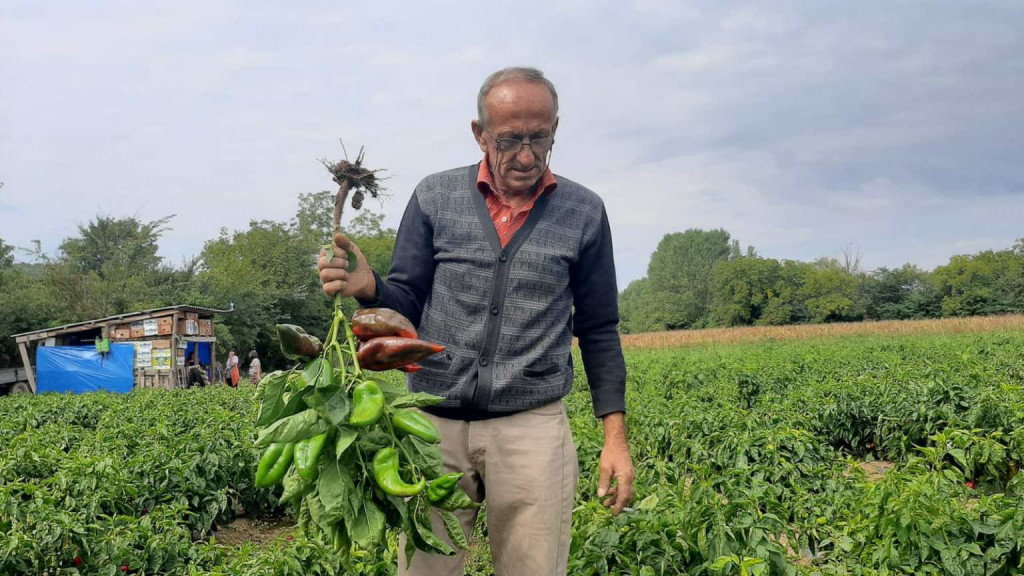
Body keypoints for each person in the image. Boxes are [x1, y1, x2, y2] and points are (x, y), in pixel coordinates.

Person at [318, 67, 634, 576]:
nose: (526, 156)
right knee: (425, 568)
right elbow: (407, 299)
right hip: (433, 425)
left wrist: (614, 437)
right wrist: (369, 288)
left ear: (556, 129)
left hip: (531, 427)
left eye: (541, 138)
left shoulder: (584, 212)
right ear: (479, 133)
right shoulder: (435, 197)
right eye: (509, 140)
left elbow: (598, 328)